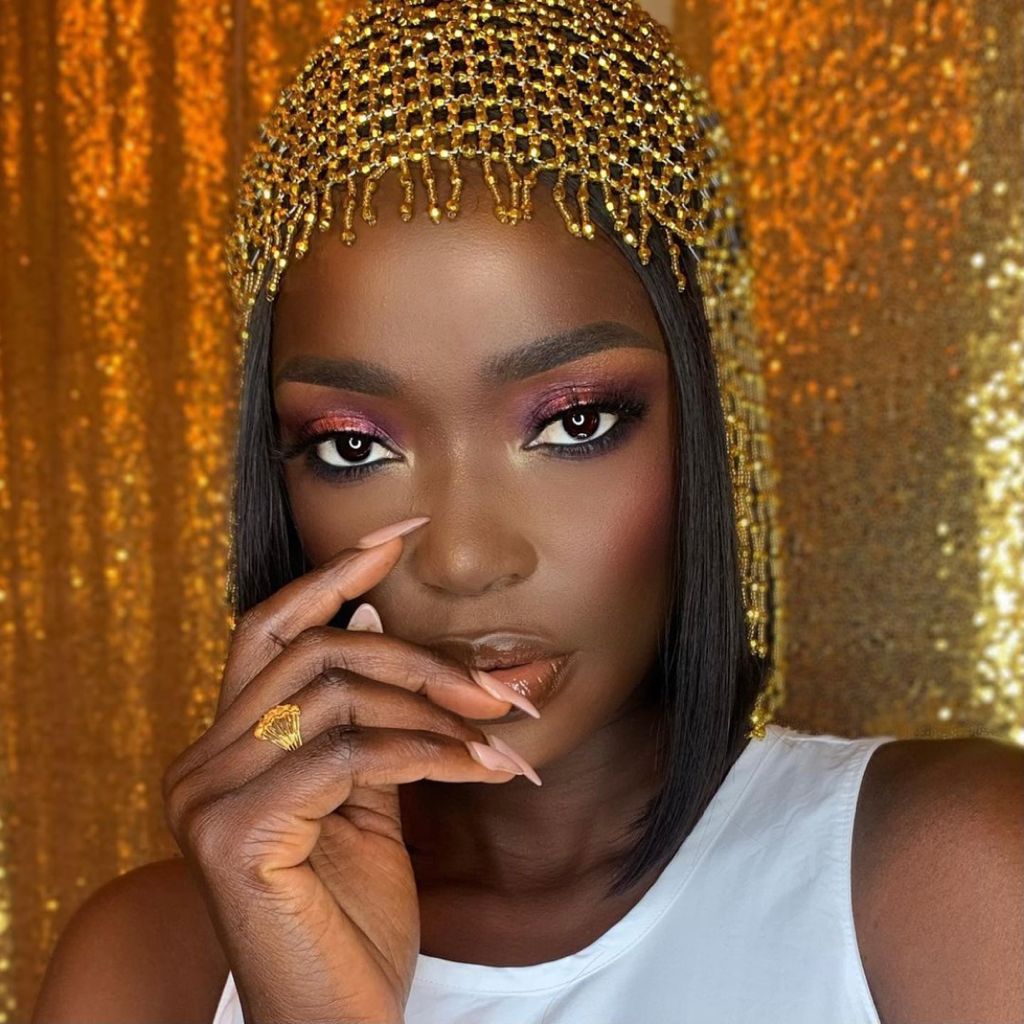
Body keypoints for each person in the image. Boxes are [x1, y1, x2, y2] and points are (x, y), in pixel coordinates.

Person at [32, 0, 1023, 1021]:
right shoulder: (150, 967)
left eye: (575, 423)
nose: (464, 559)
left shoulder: (949, 880)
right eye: (354, 446)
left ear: (707, 421)